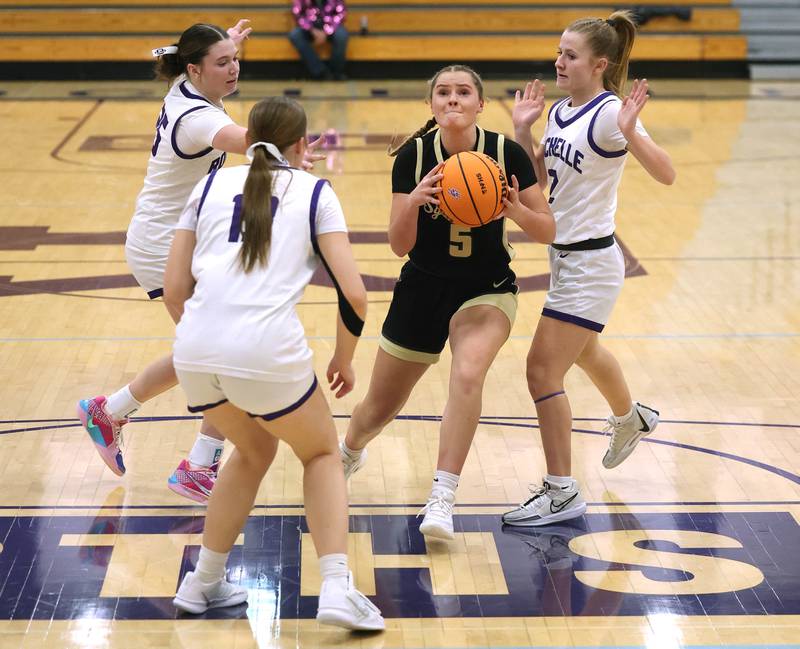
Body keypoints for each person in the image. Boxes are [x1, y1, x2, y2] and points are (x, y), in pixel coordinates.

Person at [76, 21, 323, 503]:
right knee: (224, 351)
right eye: (222, 63)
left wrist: (224, 44)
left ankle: (113, 412)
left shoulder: (188, 82)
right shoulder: (196, 118)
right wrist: (287, 152)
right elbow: (251, 141)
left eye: (236, 60)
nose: (234, 69)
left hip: (184, 239)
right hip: (162, 246)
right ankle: (196, 463)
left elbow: (190, 56)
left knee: (215, 347)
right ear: (194, 70)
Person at [165, 96, 383, 630]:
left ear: (247, 138)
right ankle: (336, 586)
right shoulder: (315, 192)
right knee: (321, 453)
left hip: (193, 347)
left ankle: (202, 581)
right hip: (264, 348)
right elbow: (355, 296)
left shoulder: (208, 186)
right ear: (303, 144)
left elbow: (174, 289)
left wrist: (207, 339)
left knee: (253, 447)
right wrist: (344, 358)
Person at [339, 65, 555, 541]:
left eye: (463, 92)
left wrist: (515, 208)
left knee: (468, 373)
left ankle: (442, 496)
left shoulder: (507, 153)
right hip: (422, 287)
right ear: (431, 105)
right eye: (443, 92)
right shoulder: (413, 156)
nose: (452, 99)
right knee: (377, 409)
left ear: (480, 104)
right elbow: (399, 245)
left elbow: (547, 229)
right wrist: (414, 202)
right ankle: (349, 452)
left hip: (486, 287)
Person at [502, 11, 676, 527]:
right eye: (559, 51)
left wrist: (632, 132)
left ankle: (561, 491)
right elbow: (540, 182)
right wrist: (522, 130)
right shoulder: (560, 112)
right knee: (585, 351)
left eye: (570, 55)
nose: (559, 61)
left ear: (599, 64)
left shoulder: (610, 113)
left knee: (541, 370)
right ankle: (632, 417)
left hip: (592, 262)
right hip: (565, 257)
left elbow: (666, 173)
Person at [289, 0, 349, 80]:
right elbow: (297, 14)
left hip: (332, 26)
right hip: (310, 28)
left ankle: (336, 72)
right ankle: (320, 72)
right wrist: (311, 29)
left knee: (341, 35)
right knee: (295, 35)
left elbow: (341, 13)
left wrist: (327, 31)